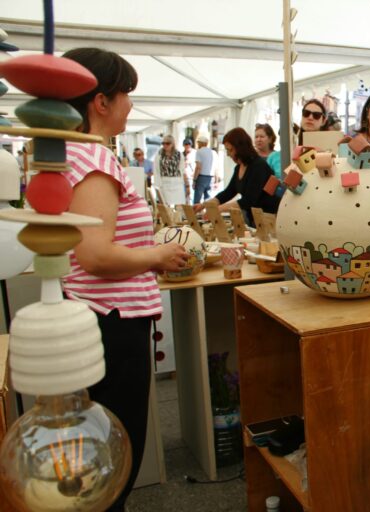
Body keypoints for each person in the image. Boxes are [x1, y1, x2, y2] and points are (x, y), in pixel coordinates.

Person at [62, 47, 188, 512]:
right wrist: (157, 254)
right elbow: (95, 254)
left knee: (102, 455)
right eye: (127, 94)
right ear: (101, 101)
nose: (131, 104)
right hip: (109, 324)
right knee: (113, 458)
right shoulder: (92, 158)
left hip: (103, 318)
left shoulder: (80, 153)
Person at [194, 127, 278, 225]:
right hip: (255, 219)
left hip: (269, 218)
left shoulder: (258, 166)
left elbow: (248, 200)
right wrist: (203, 205)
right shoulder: (239, 167)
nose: (228, 154)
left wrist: (218, 209)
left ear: (240, 148)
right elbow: (228, 192)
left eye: (230, 150)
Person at [153, 134, 185, 204]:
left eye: (167, 143)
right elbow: (156, 170)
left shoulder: (179, 154)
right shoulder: (159, 154)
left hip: (177, 183)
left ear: (172, 144)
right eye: (163, 143)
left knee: (179, 205)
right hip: (165, 183)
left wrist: (185, 184)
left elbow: (182, 170)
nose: (165, 145)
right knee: (167, 205)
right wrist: (157, 185)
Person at [193, 135, 216, 204]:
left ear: (200, 143)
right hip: (211, 177)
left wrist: (194, 179)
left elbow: (198, 167)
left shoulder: (199, 152)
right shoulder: (213, 152)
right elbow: (216, 168)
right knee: (208, 199)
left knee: (197, 199)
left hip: (201, 177)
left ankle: (195, 214)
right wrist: (216, 180)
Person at [182, 138, 196, 204]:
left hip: (191, 178)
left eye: (189, 144)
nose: (187, 146)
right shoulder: (182, 154)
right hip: (183, 178)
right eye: (186, 144)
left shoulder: (195, 153)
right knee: (184, 196)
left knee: (191, 196)